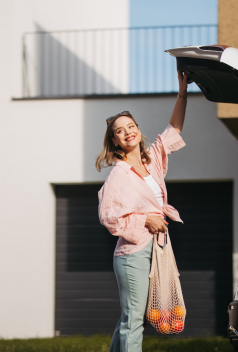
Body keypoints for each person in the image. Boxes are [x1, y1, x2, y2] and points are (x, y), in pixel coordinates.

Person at [96, 71, 189, 352]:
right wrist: (145, 219)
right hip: (133, 254)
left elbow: (174, 129)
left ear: (138, 129)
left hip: (157, 249)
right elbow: (109, 218)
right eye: (120, 131)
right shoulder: (118, 175)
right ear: (114, 141)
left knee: (133, 318)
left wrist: (182, 91)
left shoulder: (152, 161)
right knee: (134, 319)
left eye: (131, 126)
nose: (128, 132)